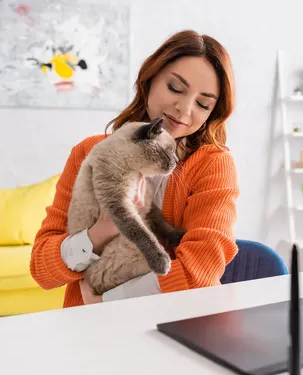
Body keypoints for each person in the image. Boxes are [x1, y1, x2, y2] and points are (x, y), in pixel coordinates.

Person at [30, 30, 239, 308]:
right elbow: (43, 269)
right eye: (175, 88)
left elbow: (200, 269)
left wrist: (109, 300)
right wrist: (101, 231)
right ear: (149, 79)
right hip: (89, 329)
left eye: (203, 104)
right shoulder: (89, 153)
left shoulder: (213, 164)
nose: (184, 109)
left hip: (178, 324)